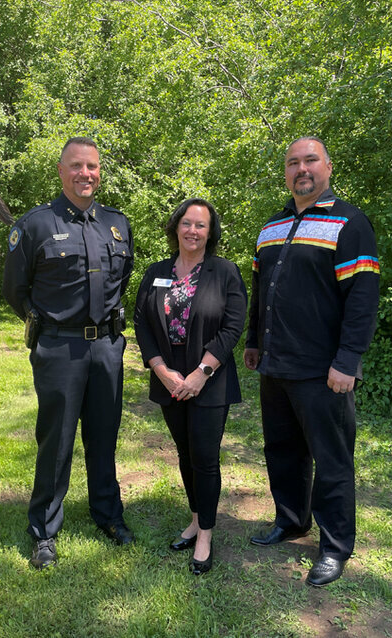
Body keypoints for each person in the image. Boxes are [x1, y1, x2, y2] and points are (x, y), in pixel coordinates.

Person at [244, 136, 380, 587]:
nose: (301, 169)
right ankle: (291, 521)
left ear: (328, 167)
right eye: (293, 163)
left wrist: (349, 361)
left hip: (324, 371)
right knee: (283, 451)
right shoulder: (272, 224)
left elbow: (362, 299)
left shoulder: (349, 223)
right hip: (276, 364)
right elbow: (261, 290)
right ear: (286, 172)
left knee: (332, 459)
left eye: (310, 161)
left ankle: (335, 546)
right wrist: (252, 342)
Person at [2, 137, 134, 569]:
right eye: (76, 166)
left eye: (92, 166)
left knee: (104, 434)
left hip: (108, 348)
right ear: (61, 171)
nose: (85, 174)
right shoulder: (36, 224)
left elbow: (122, 279)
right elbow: (14, 290)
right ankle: (43, 529)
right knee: (56, 439)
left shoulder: (117, 224)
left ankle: (107, 514)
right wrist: (47, 326)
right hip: (59, 346)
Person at [133, 198, 246, 575]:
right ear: (175, 226)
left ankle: (206, 536)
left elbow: (232, 327)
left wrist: (202, 372)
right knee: (183, 452)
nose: (192, 230)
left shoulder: (225, 272)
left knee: (204, 457)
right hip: (169, 378)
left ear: (210, 232)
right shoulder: (156, 272)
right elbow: (142, 324)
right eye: (186, 223)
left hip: (208, 380)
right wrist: (162, 371)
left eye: (201, 225)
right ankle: (196, 518)